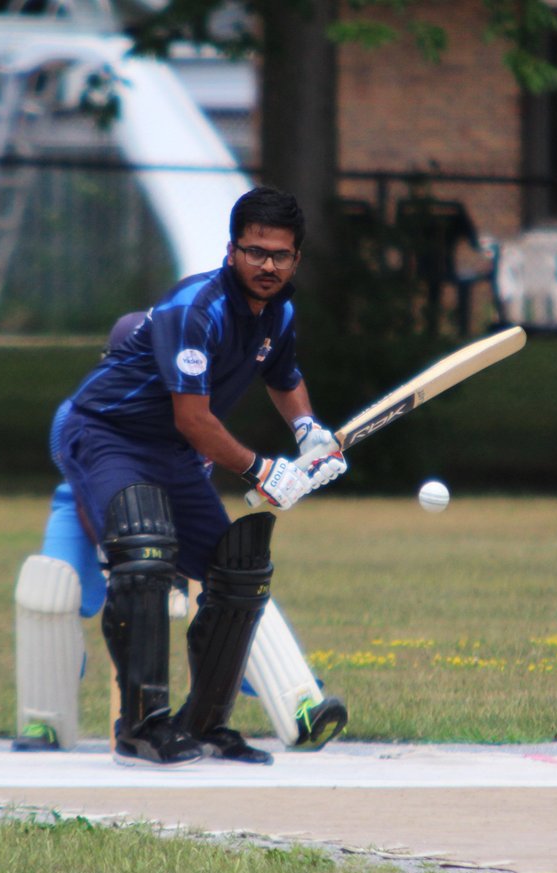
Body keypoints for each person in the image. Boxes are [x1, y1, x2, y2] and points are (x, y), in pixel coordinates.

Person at [50, 186, 347, 767]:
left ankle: (206, 725)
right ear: (231, 249)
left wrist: (309, 430)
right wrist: (263, 469)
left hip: (173, 452)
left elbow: (282, 375)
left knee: (238, 569)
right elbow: (192, 418)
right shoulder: (196, 308)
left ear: (296, 260)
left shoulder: (280, 310)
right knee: (145, 550)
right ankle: (140, 728)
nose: (267, 265)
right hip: (108, 433)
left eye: (280, 255)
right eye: (254, 251)